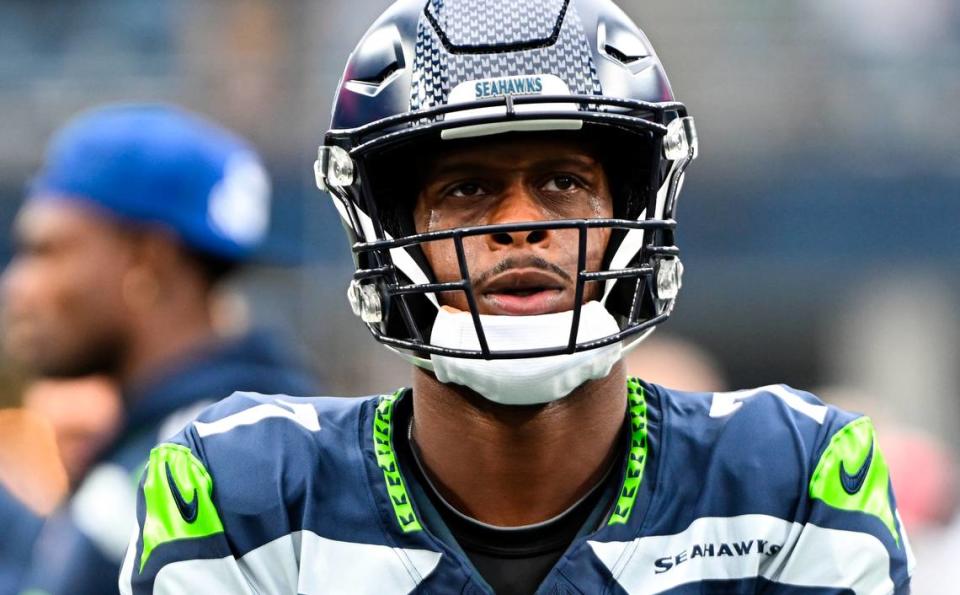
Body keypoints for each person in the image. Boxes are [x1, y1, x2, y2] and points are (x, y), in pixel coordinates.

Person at [121, 1, 913, 593]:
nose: (520, 225)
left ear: (630, 213)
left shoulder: (785, 476)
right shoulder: (250, 493)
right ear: (391, 229)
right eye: (467, 188)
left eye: (563, 182)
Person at [0, 104, 318, 595]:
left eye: (47, 251)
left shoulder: (204, 474)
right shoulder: (231, 440)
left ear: (147, 262)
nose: (17, 286)